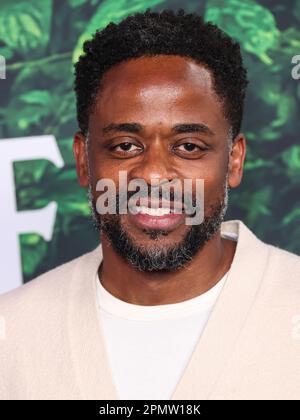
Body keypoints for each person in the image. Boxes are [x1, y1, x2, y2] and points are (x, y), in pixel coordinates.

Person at [1, 9, 300, 400]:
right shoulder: (11, 331)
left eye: (189, 147)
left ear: (235, 160)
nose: (155, 175)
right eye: (125, 146)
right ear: (82, 160)